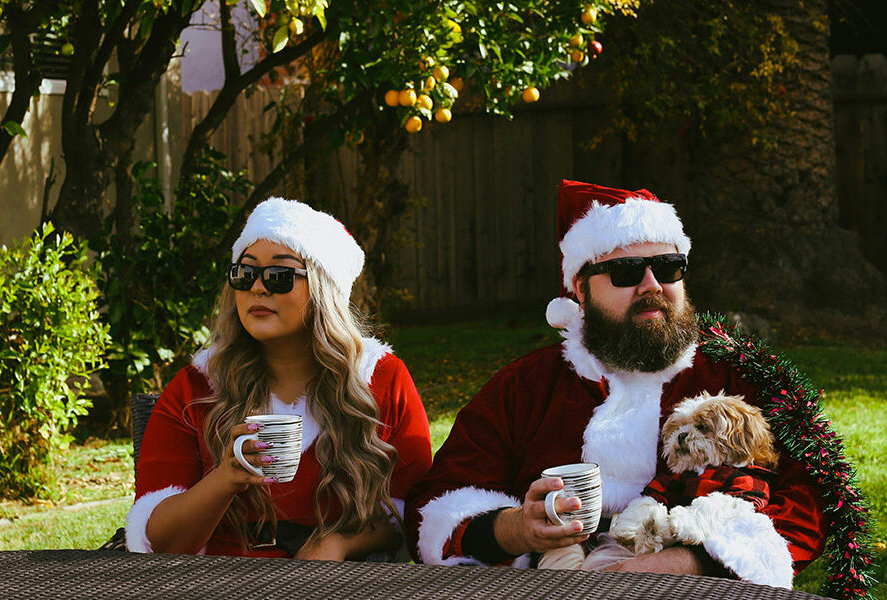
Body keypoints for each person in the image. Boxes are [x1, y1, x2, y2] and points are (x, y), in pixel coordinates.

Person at [405, 180, 826, 587]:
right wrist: (513, 529)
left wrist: (688, 561)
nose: (651, 285)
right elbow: (437, 501)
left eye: (668, 267)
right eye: (625, 272)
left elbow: (809, 497)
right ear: (580, 289)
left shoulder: (735, 379)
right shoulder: (526, 387)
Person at [125, 197, 432, 560]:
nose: (257, 288)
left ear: (323, 288)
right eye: (245, 272)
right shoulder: (198, 386)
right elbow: (157, 542)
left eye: (279, 276)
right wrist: (226, 478)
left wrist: (338, 542)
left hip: (338, 586)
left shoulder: (379, 378)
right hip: (218, 583)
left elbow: (413, 512)